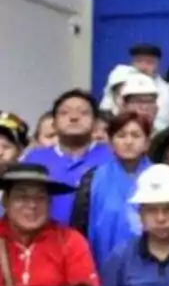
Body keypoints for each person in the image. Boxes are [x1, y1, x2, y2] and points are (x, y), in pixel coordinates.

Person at [0, 163, 99, 286]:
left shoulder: (70, 241)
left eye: (40, 198)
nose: (32, 205)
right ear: (5, 201)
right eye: (22, 197)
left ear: (50, 204)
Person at [69, 111, 152, 269]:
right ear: (111, 143)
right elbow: (78, 231)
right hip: (101, 265)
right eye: (121, 135)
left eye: (135, 135)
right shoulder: (92, 178)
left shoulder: (160, 177)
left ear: (147, 143)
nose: (128, 141)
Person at [23, 90, 111, 224]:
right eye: (64, 113)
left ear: (96, 123)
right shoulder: (35, 158)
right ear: (54, 124)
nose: (74, 117)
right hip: (48, 240)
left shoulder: (112, 156)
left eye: (83, 112)